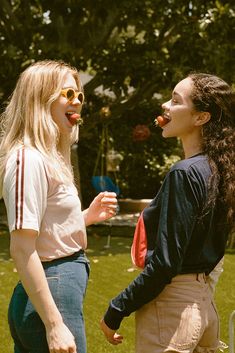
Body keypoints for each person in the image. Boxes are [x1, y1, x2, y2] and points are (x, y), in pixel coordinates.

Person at [100, 73, 235, 352]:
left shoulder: (184, 173)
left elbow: (165, 263)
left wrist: (116, 309)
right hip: (203, 306)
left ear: (201, 118)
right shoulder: (220, 172)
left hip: (172, 311)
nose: (164, 105)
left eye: (175, 100)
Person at [0, 59, 117, 353]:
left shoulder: (47, 157)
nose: (77, 101)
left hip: (58, 288)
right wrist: (54, 324)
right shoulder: (27, 160)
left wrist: (85, 217)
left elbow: (45, 229)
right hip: (53, 292)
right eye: (68, 94)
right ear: (40, 99)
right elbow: (22, 248)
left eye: (80, 95)